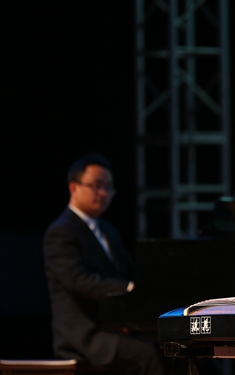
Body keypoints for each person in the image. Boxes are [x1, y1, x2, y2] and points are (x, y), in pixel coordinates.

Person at [43, 154, 163, 375]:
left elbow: (132, 272)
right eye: (97, 186)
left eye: (108, 187)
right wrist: (129, 289)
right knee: (150, 355)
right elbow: (79, 281)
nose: (104, 193)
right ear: (74, 187)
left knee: (175, 349)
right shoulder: (61, 232)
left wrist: (150, 287)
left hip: (116, 329)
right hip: (85, 336)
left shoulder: (108, 230)